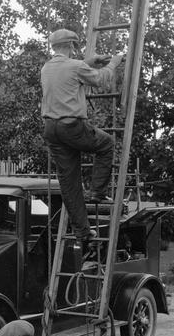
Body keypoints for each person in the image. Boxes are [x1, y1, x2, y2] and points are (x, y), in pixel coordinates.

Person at [41, 28, 124, 247]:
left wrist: (90, 61)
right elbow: (100, 80)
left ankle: (83, 234)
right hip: (72, 126)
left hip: (51, 129)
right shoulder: (76, 67)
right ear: (70, 46)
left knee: (69, 184)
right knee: (107, 143)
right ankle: (97, 191)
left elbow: (68, 69)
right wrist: (113, 63)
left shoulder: (46, 68)